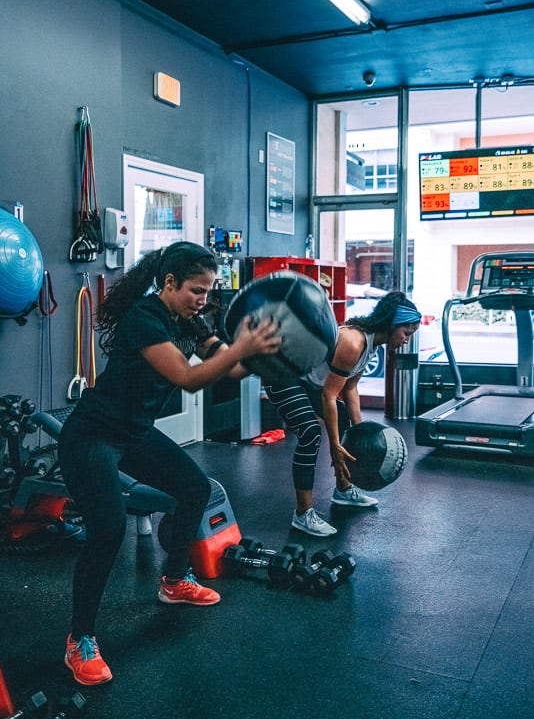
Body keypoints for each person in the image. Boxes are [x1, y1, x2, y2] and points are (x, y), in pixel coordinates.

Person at [58, 241, 280, 686]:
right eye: (197, 290)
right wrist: (241, 348)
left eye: (208, 291)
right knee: (109, 528)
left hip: (134, 433)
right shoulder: (144, 319)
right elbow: (189, 378)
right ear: (170, 283)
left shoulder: (189, 321)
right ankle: (79, 639)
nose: (203, 299)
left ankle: (174, 580)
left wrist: (264, 354)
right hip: (92, 436)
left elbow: (230, 369)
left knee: (195, 489)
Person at [265, 290, 421, 537]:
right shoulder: (353, 342)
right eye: (406, 333)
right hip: (282, 375)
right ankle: (303, 514)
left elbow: (349, 388)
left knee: (344, 418)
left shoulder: (371, 345)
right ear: (391, 324)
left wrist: (362, 434)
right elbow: (329, 395)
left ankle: (344, 489)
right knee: (311, 432)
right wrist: (336, 446)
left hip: (308, 382)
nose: (406, 340)